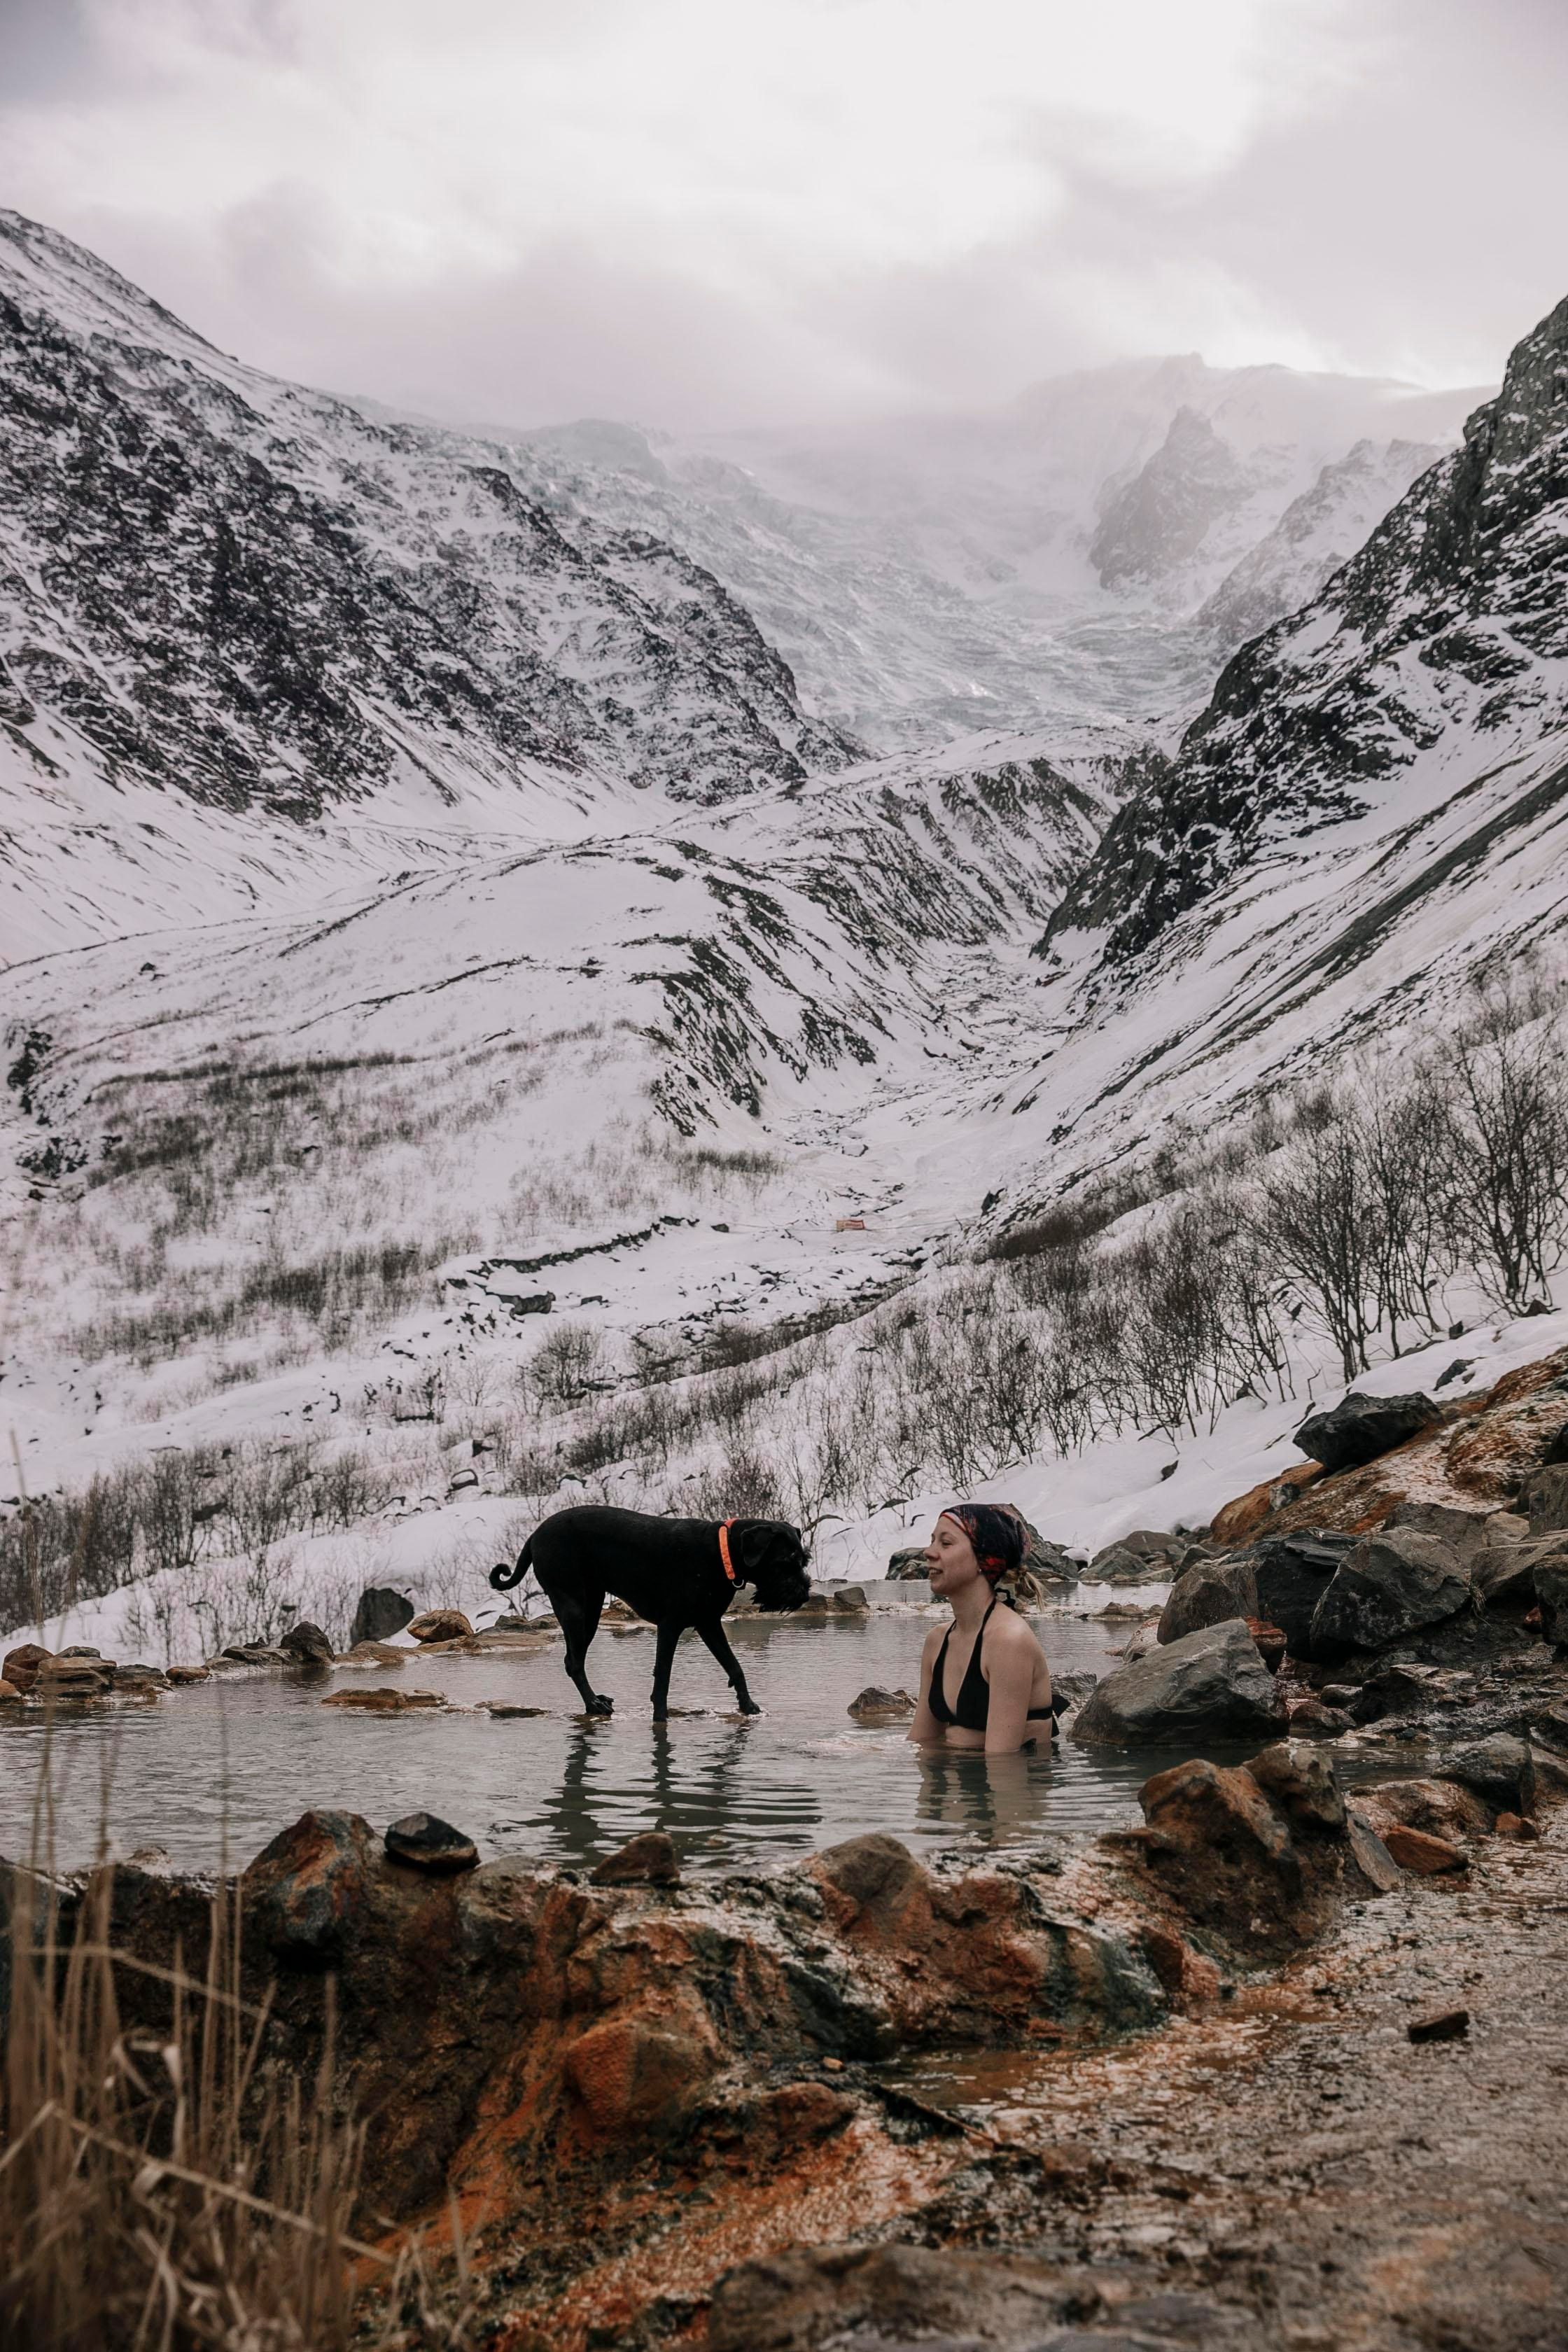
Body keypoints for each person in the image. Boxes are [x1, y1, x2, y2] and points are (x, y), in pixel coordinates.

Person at [906, 1504, 1054, 1755]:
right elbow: (923, 1741)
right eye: (932, 1541)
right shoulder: (937, 1640)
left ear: (983, 1559)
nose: (928, 1552)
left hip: (1008, 1785)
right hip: (962, 1780)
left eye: (946, 1543)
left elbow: (1002, 1763)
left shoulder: (1008, 1641)